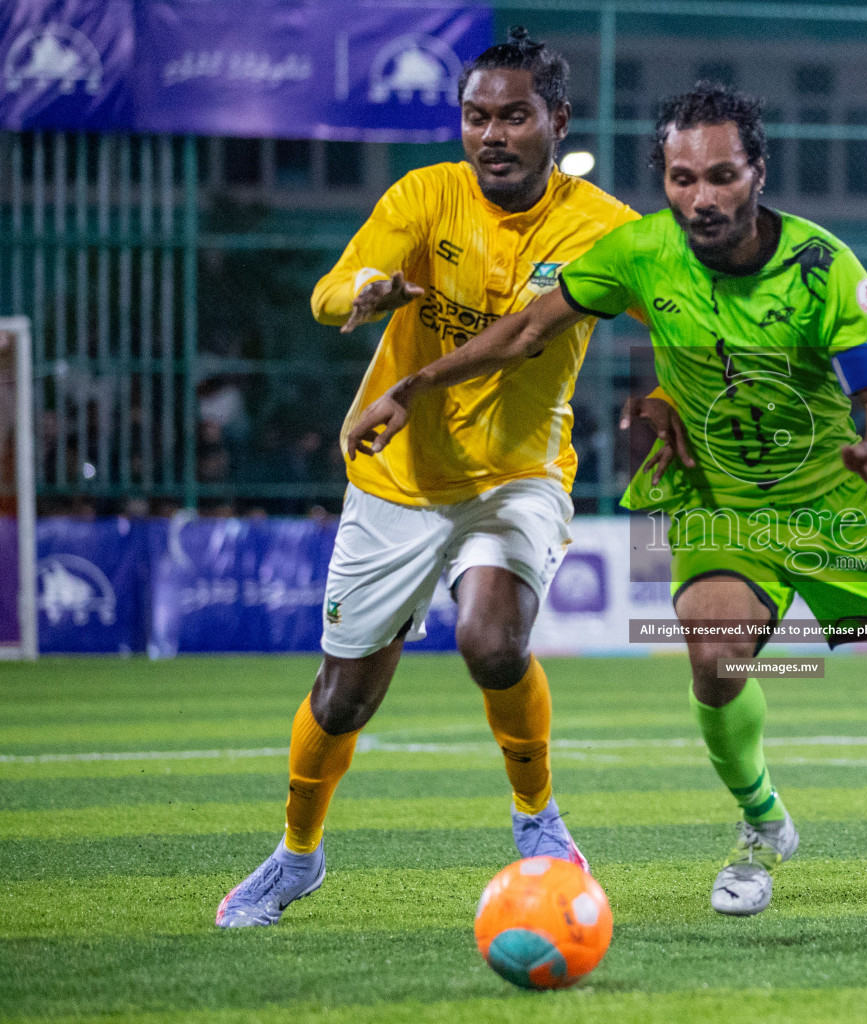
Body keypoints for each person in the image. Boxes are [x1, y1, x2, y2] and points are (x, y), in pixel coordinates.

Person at [344, 82, 867, 937]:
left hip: (837, 509)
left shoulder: (828, 271)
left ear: (758, 174)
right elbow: (525, 331)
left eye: (721, 176)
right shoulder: (637, 252)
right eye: (681, 178)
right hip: (721, 505)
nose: (701, 197)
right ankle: (762, 822)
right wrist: (411, 384)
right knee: (715, 658)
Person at [215, 29, 637, 929]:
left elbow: (680, 304)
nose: (490, 134)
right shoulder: (426, 195)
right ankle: (297, 856)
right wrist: (364, 290)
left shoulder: (604, 227)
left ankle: (539, 821)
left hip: (518, 478)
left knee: (492, 640)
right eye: (476, 116)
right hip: (396, 478)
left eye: (513, 116)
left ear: (555, 122)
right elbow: (330, 291)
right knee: (344, 696)